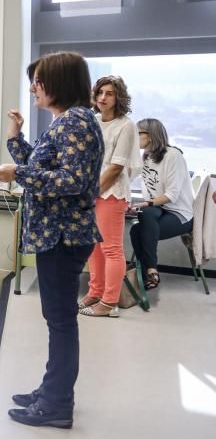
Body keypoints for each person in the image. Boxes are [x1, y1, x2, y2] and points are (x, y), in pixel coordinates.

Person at [0, 51, 103, 429]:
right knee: (58, 320)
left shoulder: (76, 122)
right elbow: (40, 164)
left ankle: (56, 403)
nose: (33, 88)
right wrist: (15, 139)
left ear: (60, 82)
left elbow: (72, 181)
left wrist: (17, 173)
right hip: (58, 234)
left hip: (63, 235)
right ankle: (52, 391)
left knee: (61, 322)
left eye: (38, 81)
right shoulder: (67, 121)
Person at [80, 76, 139, 318]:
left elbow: (116, 167)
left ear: (119, 98)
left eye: (110, 93)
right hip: (90, 192)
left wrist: (92, 192)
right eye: (100, 92)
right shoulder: (92, 122)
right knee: (93, 247)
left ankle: (109, 302)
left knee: (111, 249)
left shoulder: (126, 126)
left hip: (112, 193)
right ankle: (96, 292)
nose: (103, 97)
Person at [128, 118, 194, 292]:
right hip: (157, 211)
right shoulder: (145, 157)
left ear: (150, 135)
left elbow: (172, 195)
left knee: (138, 229)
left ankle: (146, 272)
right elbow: (127, 176)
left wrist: (142, 203)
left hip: (180, 214)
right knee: (145, 215)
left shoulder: (173, 156)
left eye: (138, 133)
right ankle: (151, 271)